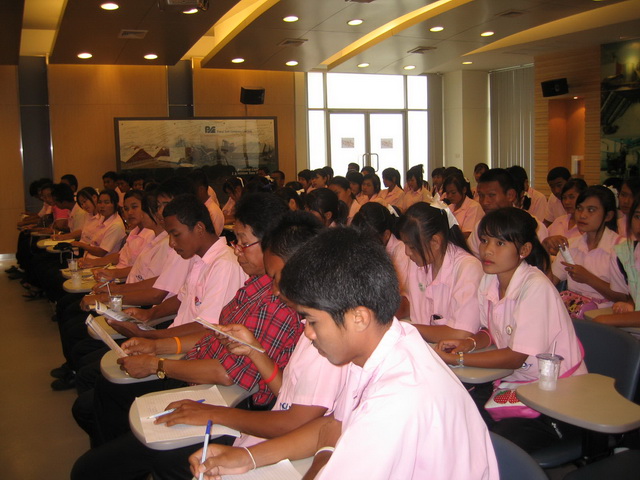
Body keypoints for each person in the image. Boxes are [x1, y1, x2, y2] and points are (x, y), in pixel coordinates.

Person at [189, 227, 499, 480]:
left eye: (312, 321)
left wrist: (324, 456)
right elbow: (333, 425)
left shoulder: (399, 397)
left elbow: (331, 440)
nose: (308, 333)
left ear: (358, 317)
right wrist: (247, 457)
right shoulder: (380, 344)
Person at [71, 211, 339, 480]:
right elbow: (287, 395)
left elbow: (295, 420)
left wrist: (163, 367)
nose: (276, 289)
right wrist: (254, 353)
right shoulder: (275, 298)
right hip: (231, 402)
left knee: (115, 458)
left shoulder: (316, 335)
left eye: (244, 242)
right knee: (106, 404)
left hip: (235, 404)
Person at [436, 207, 587, 453]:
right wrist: (469, 344)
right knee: (454, 418)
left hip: (554, 394)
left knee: (488, 445)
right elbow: (491, 330)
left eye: (500, 243)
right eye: (484, 240)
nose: (488, 250)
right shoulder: (490, 278)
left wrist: (458, 359)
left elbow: (516, 356)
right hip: (516, 384)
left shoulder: (535, 287)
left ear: (524, 250)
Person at [398, 202, 483, 342]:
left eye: (412, 247)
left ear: (435, 242)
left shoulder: (468, 268)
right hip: (426, 345)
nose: (407, 252)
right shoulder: (419, 263)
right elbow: (413, 308)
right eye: (405, 245)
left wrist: (409, 329)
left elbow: (462, 333)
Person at [551, 185, 628, 308]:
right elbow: (550, 282)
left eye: (591, 210)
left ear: (608, 216)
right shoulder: (570, 246)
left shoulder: (622, 248)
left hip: (607, 314)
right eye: (579, 208)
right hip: (574, 312)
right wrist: (543, 248)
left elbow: (626, 298)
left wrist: (589, 279)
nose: (582, 215)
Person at [469, 168, 548, 258]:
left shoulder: (533, 226)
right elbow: (471, 258)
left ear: (510, 195)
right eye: (481, 195)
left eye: (491, 195)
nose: (484, 202)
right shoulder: (481, 225)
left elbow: (539, 262)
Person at [594, 193, 640, 328]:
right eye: (637, 217)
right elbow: (632, 294)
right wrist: (630, 303)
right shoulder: (622, 253)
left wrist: (603, 321)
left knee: (598, 324)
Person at [351, 202, 410, 296]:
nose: (364, 247)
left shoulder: (401, 252)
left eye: (369, 242)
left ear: (386, 235)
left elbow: (396, 293)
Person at [543, 178, 587, 255]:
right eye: (564, 198)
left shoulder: (588, 225)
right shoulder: (559, 221)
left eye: (571, 197)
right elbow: (543, 244)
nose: (567, 202)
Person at [443, 174, 484, 239]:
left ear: (464, 190)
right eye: (447, 193)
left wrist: (446, 236)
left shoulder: (473, 207)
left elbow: (468, 234)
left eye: (453, 193)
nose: (449, 196)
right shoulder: (449, 208)